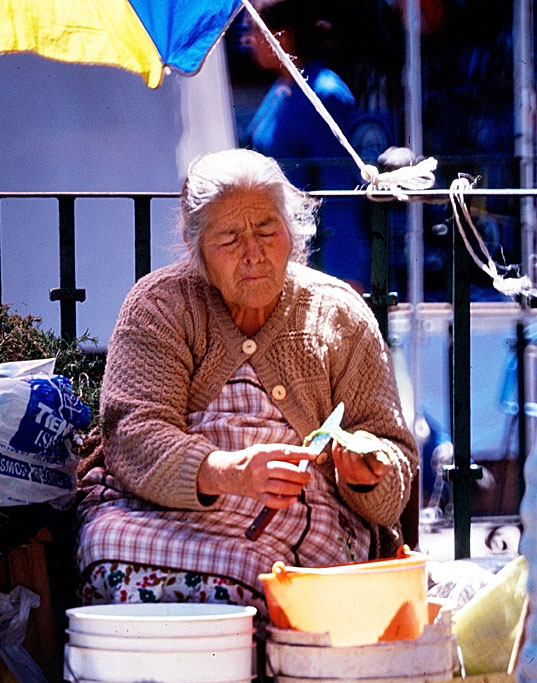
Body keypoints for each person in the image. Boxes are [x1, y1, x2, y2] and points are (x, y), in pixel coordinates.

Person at [75, 148, 418, 617]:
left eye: (266, 231)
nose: (253, 254)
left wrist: (366, 474)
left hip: (305, 521)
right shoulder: (159, 305)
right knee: (105, 541)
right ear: (196, 247)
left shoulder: (339, 313)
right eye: (230, 238)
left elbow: (394, 456)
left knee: (277, 573)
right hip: (169, 518)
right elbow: (133, 434)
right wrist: (230, 473)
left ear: (292, 233)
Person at [242, 0, 394, 293]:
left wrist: (345, 277)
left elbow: (339, 193)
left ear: (281, 36)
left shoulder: (324, 94)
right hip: (281, 245)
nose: (247, 40)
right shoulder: (281, 88)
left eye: (254, 30)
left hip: (320, 258)